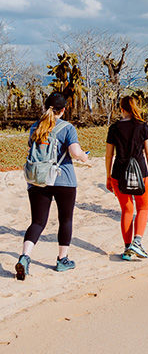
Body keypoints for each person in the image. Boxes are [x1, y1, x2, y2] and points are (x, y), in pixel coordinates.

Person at [16, 93, 90, 280]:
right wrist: (84, 157)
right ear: (64, 109)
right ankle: (62, 260)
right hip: (63, 180)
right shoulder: (67, 128)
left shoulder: (35, 126)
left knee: (38, 222)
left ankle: (25, 257)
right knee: (65, 220)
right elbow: (74, 152)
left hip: (38, 179)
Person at [105, 96, 148, 261]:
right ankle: (137, 242)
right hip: (141, 172)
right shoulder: (143, 126)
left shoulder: (114, 128)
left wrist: (108, 176)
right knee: (143, 208)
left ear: (122, 109)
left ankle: (127, 248)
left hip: (119, 172)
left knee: (126, 210)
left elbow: (109, 155)